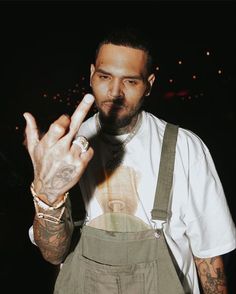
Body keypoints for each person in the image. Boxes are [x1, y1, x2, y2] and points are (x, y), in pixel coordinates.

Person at [24, 28, 236, 294]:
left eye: (131, 81)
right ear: (91, 75)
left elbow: (209, 257)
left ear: (149, 84)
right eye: (104, 77)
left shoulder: (185, 148)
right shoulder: (63, 152)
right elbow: (53, 254)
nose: (115, 92)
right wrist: (48, 198)